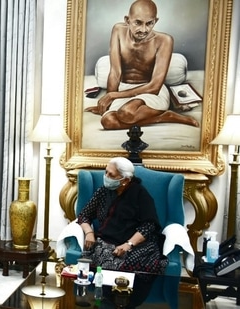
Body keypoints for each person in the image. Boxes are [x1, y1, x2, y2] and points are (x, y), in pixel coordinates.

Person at [84, 0, 199, 130]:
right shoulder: (118, 30)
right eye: (138, 23)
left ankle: (168, 115)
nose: (143, 30)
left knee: (127, 112)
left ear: (156, 21)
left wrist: (113, 95)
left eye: (149, 23)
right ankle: (163, 117)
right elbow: (115, 72)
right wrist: (108, 100)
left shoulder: (165, 40)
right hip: (124, 89)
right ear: (127, 20)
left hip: (151, 91)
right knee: (108, 121)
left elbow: (155, 87)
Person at [77, 157, 168, 308]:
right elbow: (84, 215)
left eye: (111, 175)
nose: (106, 177)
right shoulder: (103, 191)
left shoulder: (140, 194)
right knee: (107, 258)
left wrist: (128, 244)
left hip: (137, 242)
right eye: (106, 172)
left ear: (125, 180)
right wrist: (89, 233)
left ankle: (128, 302)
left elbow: (149, 225)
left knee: (138, 264)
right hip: (107, 241)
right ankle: (107, 300)